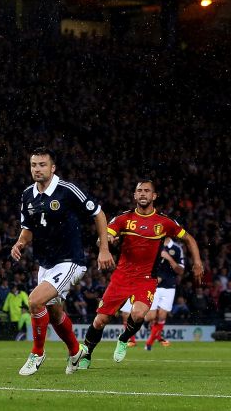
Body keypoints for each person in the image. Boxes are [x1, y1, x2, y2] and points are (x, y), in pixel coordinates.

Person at [11, 147, 114, 376]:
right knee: (55, 314)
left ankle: (37, 353)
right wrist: (20, 243)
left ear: (52, 168)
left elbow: (98, 214)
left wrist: (104, 249)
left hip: (70, 261)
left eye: (42, 165)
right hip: (45, 263)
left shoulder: (67, 190)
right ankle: (76, 352)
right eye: (34, 165)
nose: (37, 169)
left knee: (35, 301)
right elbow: (27, 229)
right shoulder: (27, 195)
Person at [79, 179, 202, 368]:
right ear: (135, 195)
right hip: (121, 277)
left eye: (147, 190)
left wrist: (198, 263)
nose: (143, 193)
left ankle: (124, 338)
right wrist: (107, 241)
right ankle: (86, 354)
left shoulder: (164, 222)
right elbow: (103, 237)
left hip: (146, 279)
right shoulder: (123, 219)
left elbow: (189, 239)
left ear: (154, 196)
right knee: (100, 320)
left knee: (138, 314)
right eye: (139, 191)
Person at [144, 237, 189, 350]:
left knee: (162, 316)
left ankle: (149, 343)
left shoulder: (177, 248)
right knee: (151, 316)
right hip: (154, 285)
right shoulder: (153, 244)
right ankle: (146, 324)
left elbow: (180, 271)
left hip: (169, 286)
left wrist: (169, 258)